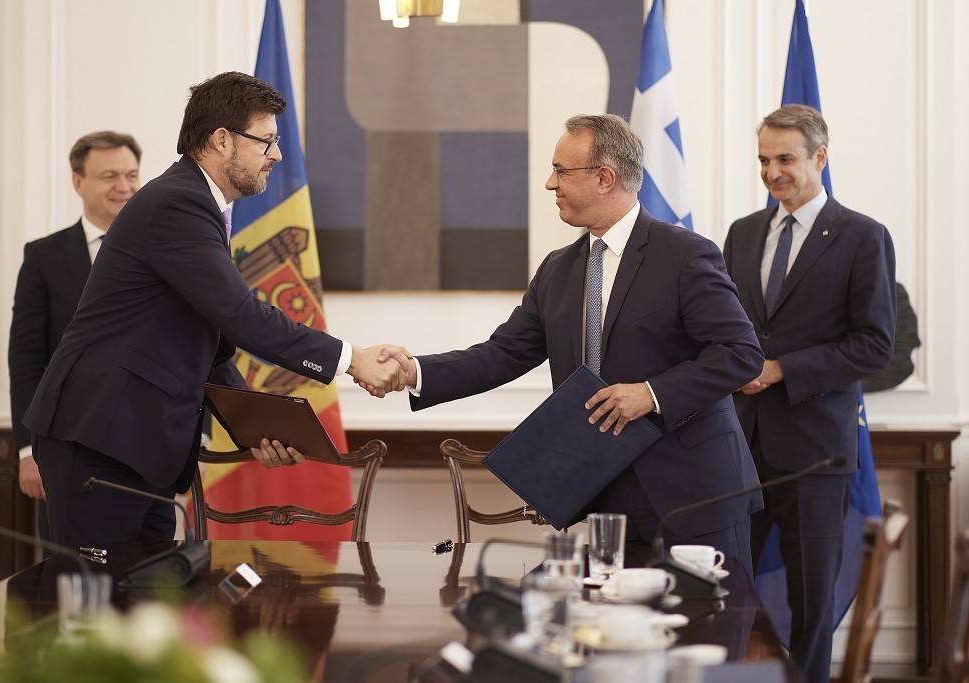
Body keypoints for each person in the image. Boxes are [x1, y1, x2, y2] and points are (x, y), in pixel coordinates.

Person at [23, 71, 405, 548]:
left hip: (136, 444)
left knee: (147, 590)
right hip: (100, 438)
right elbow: (241, 316)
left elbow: (212, 344)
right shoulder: (177, 203)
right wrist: (353, 359)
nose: (277, 155)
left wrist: (256, 428)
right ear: (222, 140)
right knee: (94, 593)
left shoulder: (194, 204)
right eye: (266, 142)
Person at [376, 114, 765, 568]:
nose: (550, 183)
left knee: (709, 615)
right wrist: (415, 371)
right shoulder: (557, 270)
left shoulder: (684, 254)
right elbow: (501, 355)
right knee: (613, 615)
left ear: (604, 178)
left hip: (693, 495)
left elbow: (741, 354)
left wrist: (651, 394)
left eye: (561, 171)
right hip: (604, 495)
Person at [723, 104, 896, 683]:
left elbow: (874, 345)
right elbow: (726, 326)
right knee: (724, 596)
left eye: (785, 159)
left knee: (810, 611)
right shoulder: (743, 234)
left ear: (820, 157)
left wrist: (779, 370)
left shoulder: (863, 236)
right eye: (763, 160)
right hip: (739, 448)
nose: (772, 172)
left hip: (815, 454)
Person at [8, 130, 142, 541]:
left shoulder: (162, 253)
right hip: (64, 453)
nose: (123, 187)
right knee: (68, 573)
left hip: (144, 453)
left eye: (131, 175)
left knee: (148, 573)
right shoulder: (43, 257)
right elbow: (26, 361)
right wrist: (28, 450)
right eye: (109, 176)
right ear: (78, 182)